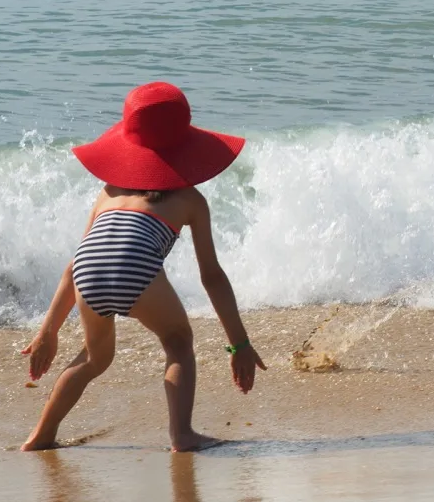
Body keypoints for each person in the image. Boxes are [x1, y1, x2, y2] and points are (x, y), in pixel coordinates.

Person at [21, 82, 266, 451]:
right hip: (135, 269)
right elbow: (212, 276)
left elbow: (77, 262)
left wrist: (49, 331)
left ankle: (40, 436)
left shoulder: (109, 191)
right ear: (186, 146)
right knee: (178, 342)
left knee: (93, 357)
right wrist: (239, 344)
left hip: (87, 269)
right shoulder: (190, 200)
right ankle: (182, 435)